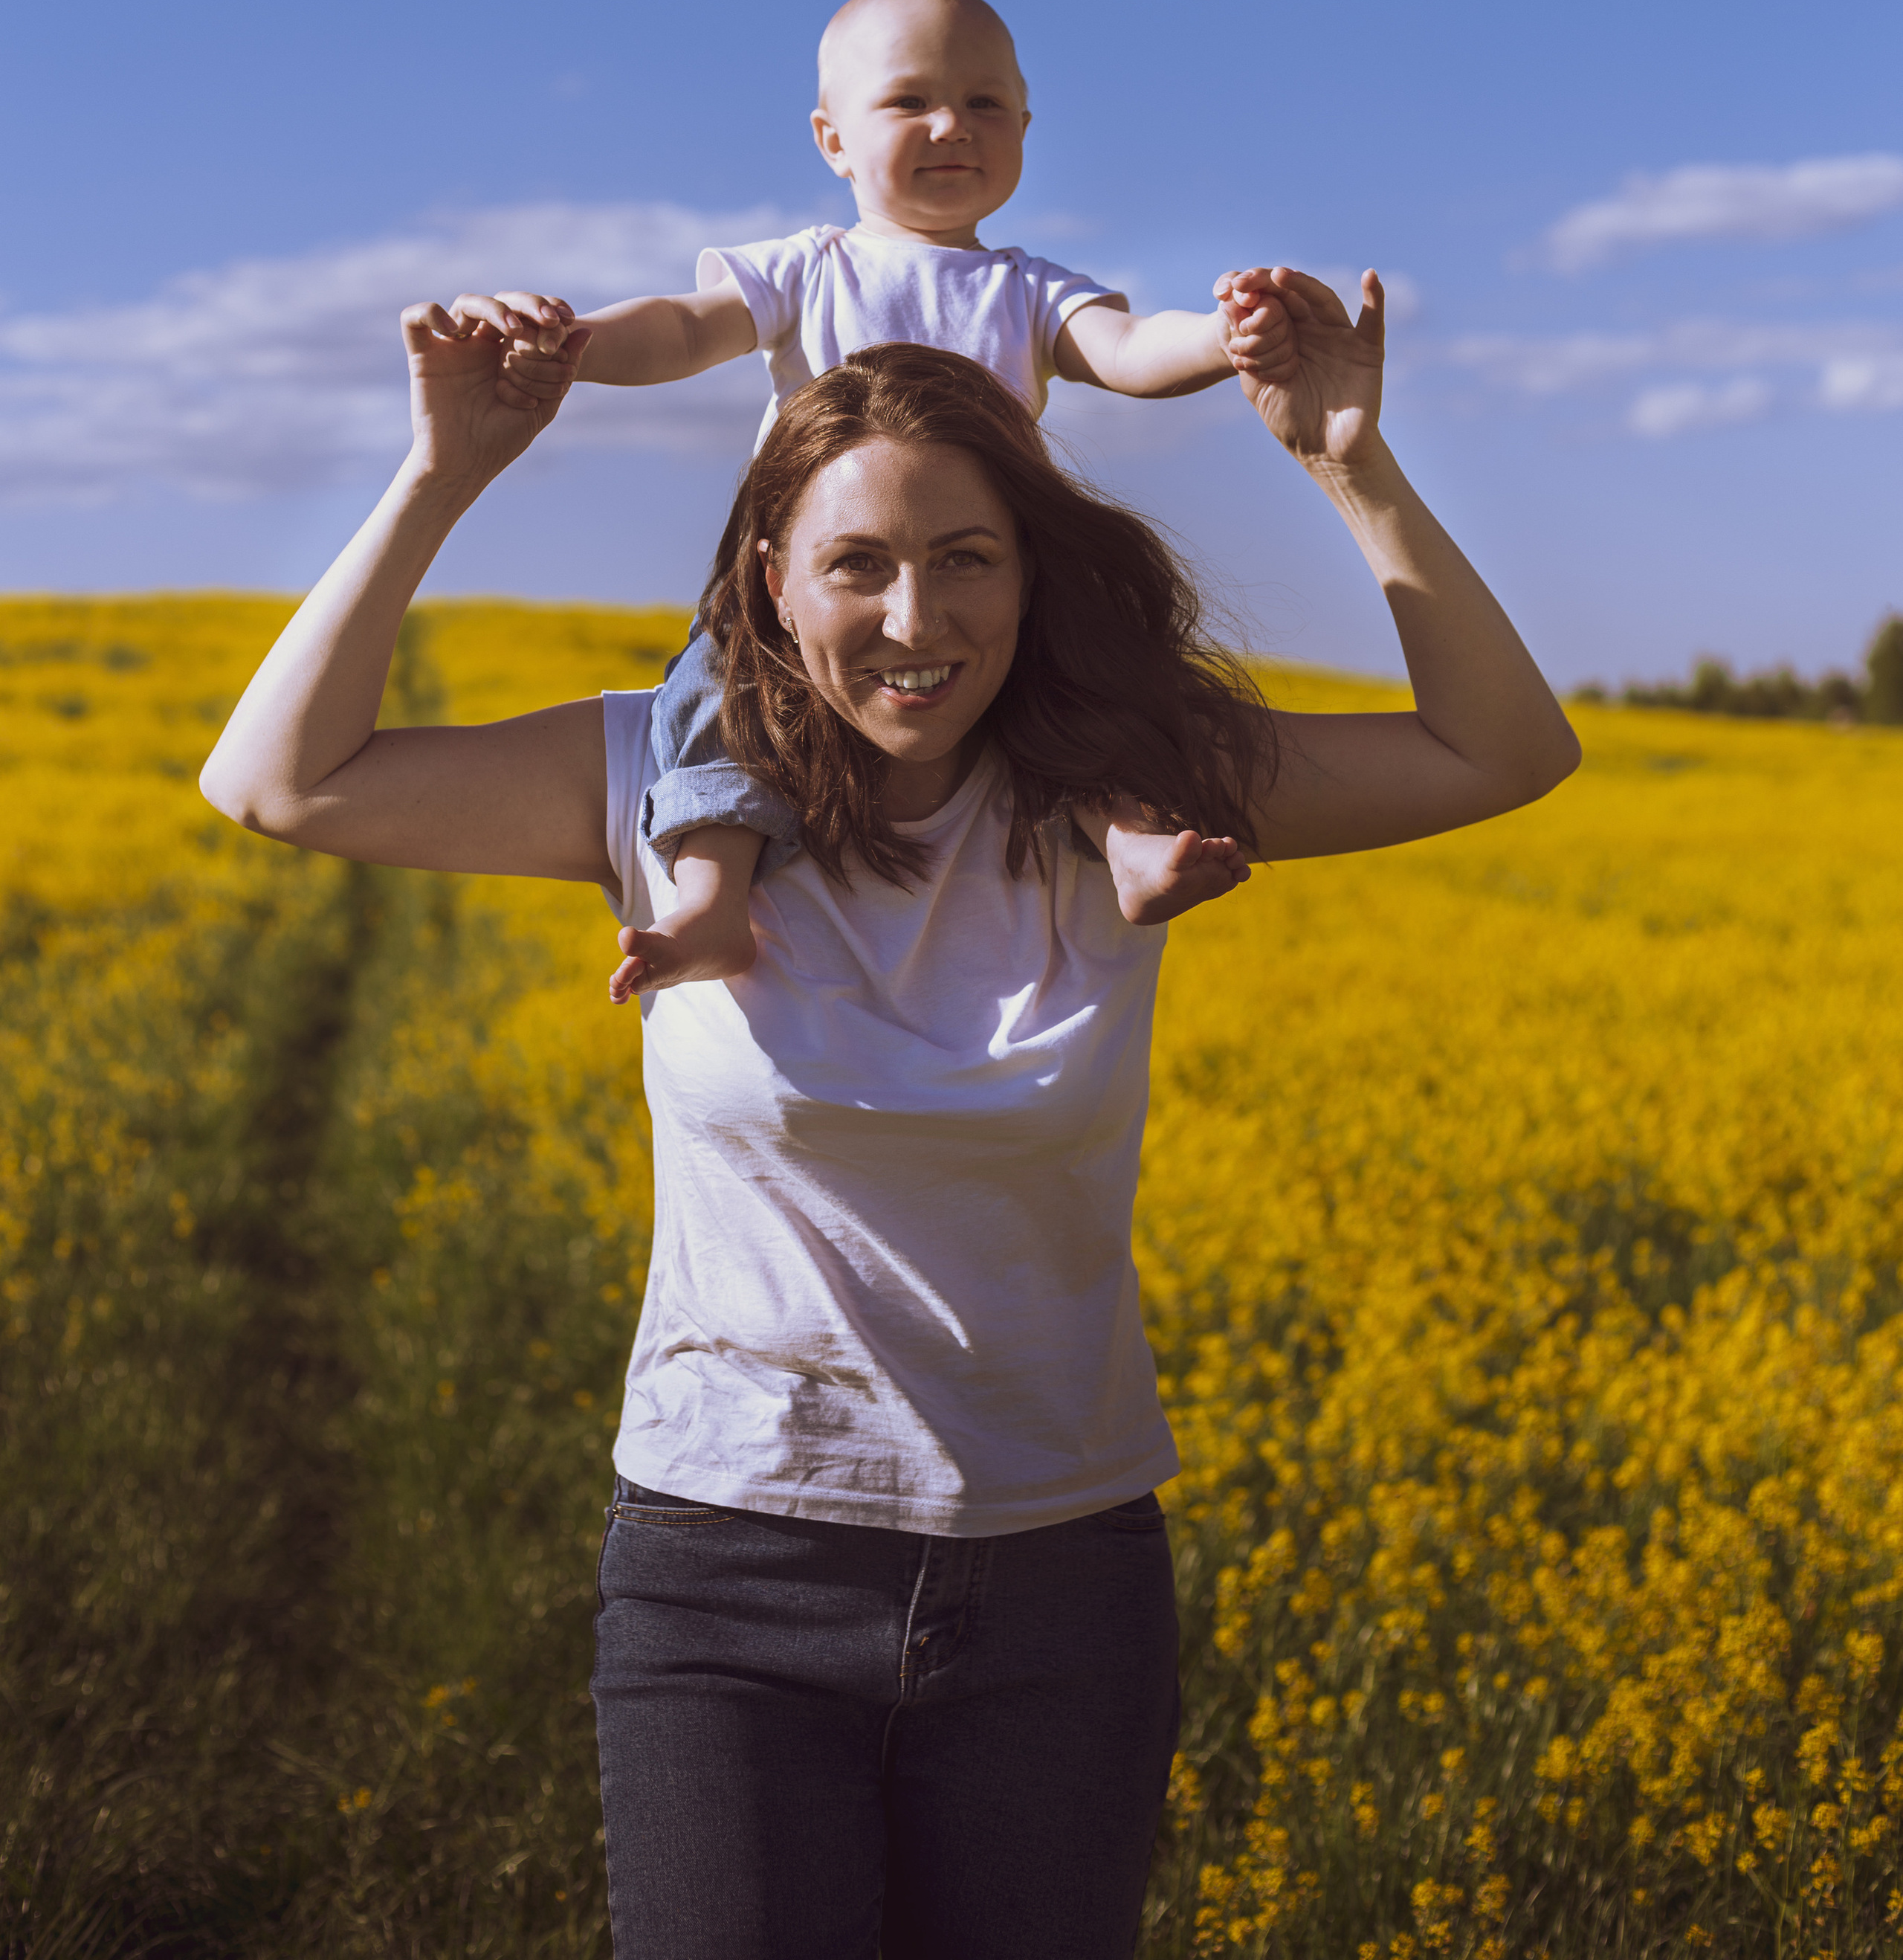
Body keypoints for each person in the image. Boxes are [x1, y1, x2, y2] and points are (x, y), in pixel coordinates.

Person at [198, 269, 1580, 1960]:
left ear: (1032, 576)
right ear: (767, 588)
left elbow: (1497, 753)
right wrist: (443, 476)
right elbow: (277, 781)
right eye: (855, 563)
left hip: (1062, 1581)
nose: (914, 620)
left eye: (965, 559)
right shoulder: (648, 780)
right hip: (730, 1575)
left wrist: (1348, 460)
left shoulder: (1126, 788)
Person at [436, 0, 1282, 987]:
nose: (949, 125)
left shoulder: (1030, 287)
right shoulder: (807, 269)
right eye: (909, 101)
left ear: (1022, 127)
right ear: (832, 141)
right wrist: (574, 344)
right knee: (719, 699)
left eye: (982, 104)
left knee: (1092, 677)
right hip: (816, 590)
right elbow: (682, 326)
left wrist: (1231, 337)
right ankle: (709, 901)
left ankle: (1132, 841)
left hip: (988, 574)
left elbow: (1136, 349)